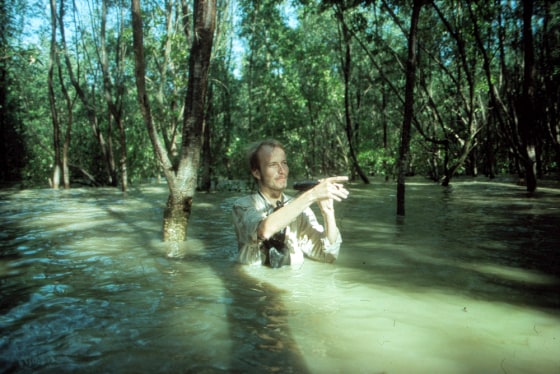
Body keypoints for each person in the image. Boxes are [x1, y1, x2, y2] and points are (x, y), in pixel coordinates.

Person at [232, 139, 349, 267]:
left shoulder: (301, 208)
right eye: (273, 165)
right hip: (254, 285)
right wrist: (312, 195)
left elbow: (327, 256)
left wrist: (328, 212)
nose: (282, 170)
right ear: (257, 173)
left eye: (284, 163)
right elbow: (263, 231)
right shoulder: (242, 206)